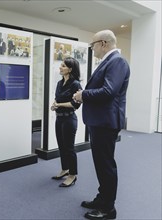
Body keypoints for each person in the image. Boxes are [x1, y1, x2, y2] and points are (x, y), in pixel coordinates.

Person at [73, 30, 130, 220]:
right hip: (100, 121)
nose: (92, 48)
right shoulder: (110, 61)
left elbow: (108, 91)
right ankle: (102, 198)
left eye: (93, 44)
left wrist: (83, 95)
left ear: (103, 43)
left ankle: (108, 209)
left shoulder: (117, 61)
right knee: (101, 163)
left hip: (106, 122)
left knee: (106, 165)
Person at [50, 57, 82, 187]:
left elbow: (76, 104)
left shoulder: (76, 84)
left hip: (69, 119)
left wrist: (59, 104)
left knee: (69, 148)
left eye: (63, 66)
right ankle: (65, 169)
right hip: (59, 118)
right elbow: (57, 98)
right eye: (61, 65)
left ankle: (72, 175)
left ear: (70, 69)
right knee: (61, 147)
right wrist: (54, 105)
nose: (60, 67)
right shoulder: (59, 83)